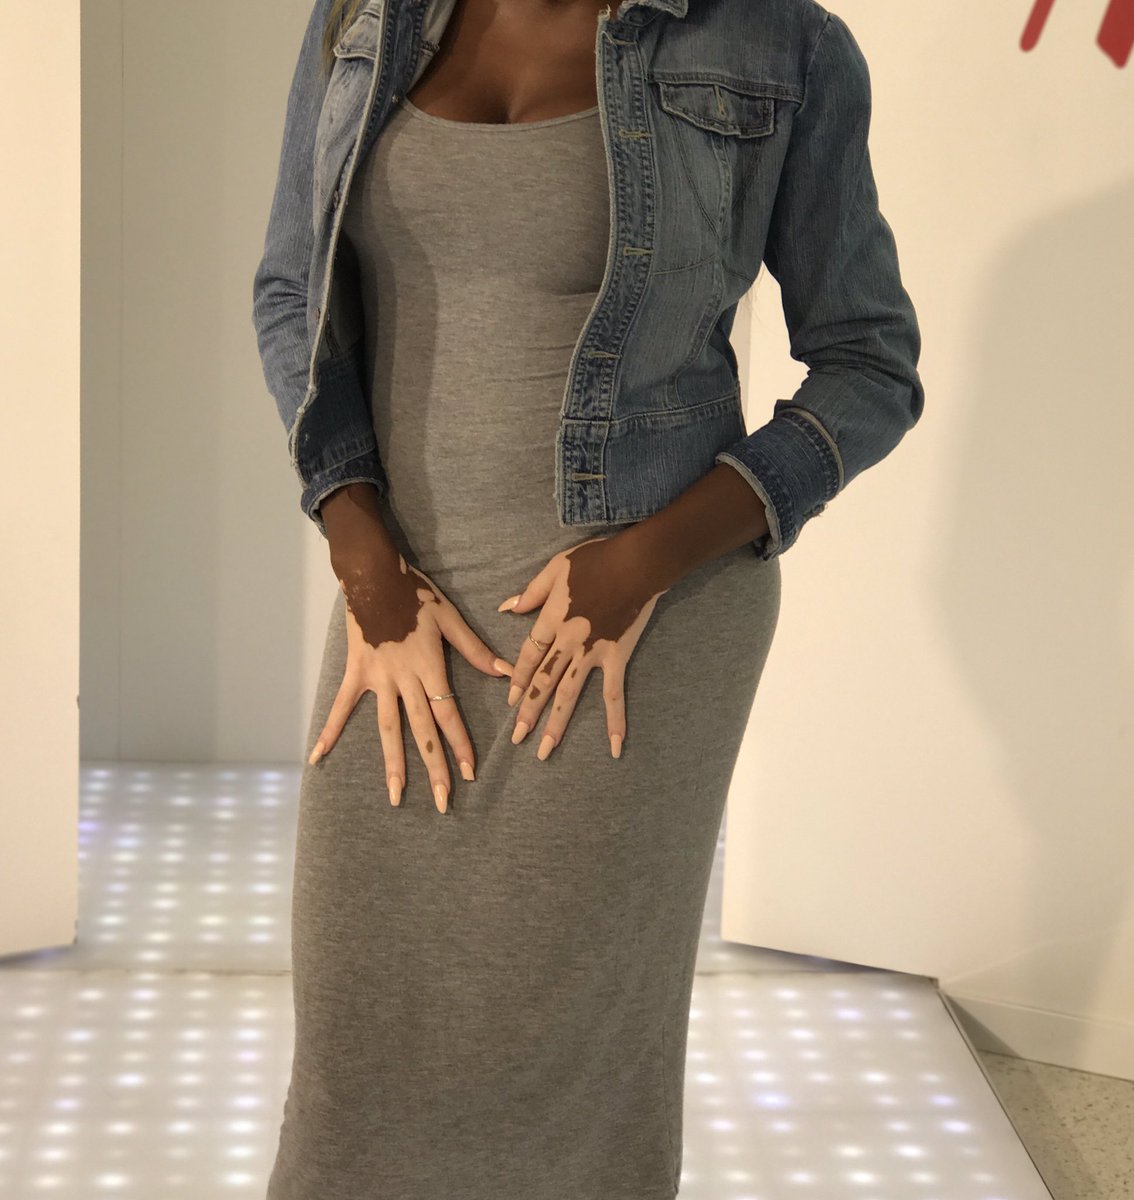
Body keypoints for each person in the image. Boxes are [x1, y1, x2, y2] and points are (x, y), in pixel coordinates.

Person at [251, 0, 924, 1195]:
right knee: (362, 1038)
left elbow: (870, 364)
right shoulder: (363, 16)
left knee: (571, 1059)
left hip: (632, 625)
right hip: (402, 606)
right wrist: (363, 559)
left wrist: (643, 562)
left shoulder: (779, 45)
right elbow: (292, 294)